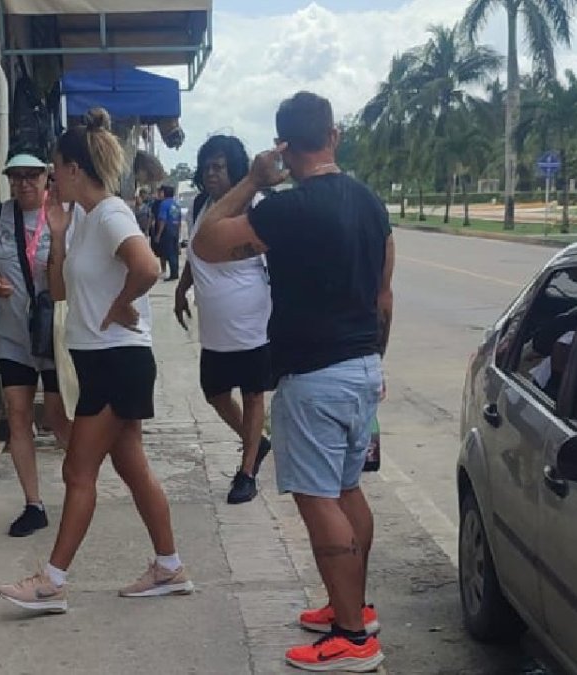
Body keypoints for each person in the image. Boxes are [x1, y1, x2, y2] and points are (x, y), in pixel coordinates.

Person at [192, 92, 395, 673]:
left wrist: (254, 179)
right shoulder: (370, 202)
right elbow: (384, 298)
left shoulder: (286, 208)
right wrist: (374, 363)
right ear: (332, 135)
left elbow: (207, 242)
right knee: (348, 488)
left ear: (284, 144)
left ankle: (353, 639)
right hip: (362, 369)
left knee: (317, 497)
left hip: (313, 374)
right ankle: (352, 606)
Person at [0, 108, 193, 613]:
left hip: (116, 361)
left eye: (53, 168)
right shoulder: (81, 220)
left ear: (73, 169)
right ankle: (169, 566)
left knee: (77, 470)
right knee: (132, 467)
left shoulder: (111, 214)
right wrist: (59, 236)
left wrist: (125, 301)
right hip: (97, 360)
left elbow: (147, 266)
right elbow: (59, 292)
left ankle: (52, 581)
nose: (48, 177)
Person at [0, 152, 73, 538]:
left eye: (32, 176)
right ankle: (34, 503)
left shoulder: (62, 215)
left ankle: (80, 488)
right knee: (17, 413)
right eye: (16, 177)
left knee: (61, 417)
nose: (24, 184)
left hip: (53, 333)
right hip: (11, 333)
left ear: (48, 177)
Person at [173, 135, 272, 504]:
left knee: (252, 394)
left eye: (218, 166)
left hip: (252, 323)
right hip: (214, 328)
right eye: (206, 167)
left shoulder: (257, 207)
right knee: (214, 391)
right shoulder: (201, 204)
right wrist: (182, 288)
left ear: (236, 168)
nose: (210, 174)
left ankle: (247, 472)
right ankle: (256, 442)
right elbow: (196, 253)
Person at [154, 185, 182, 280]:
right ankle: (175, 272)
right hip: (175, 229)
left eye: (161, 192)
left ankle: (173, 274)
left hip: (167, 230)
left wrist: (158, 234)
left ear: (164, 193)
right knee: (174, 252)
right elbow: (179, 220)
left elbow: (162, 220)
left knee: (169, 252)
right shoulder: (176, 204)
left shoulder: (164, 204)